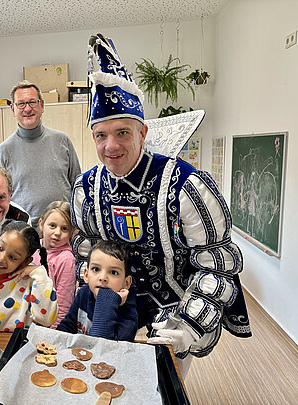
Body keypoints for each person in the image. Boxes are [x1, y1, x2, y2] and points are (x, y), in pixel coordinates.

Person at [71, 34, 251, 375]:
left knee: (166, 388)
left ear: (143, 132)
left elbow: (217, 261)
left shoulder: (186, 184)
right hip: (115, 306)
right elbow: (86, 247)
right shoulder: (88, 187)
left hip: (176, 307)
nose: (111, 146)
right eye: (101, 135)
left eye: (123, 132)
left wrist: (188, 325)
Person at [0, 80, 81, 224]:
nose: (27, 109)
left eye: (32, 102)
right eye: (21, 104)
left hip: (63, 230)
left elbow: (78, 186)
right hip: (23, 232)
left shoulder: (62, 141)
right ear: (13, 110)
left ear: (42, 106)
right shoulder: (4, 150)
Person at [0, 220, 58, 331]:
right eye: (0, 248)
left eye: (12, 257)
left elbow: (46, 319)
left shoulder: (33, 283)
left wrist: (40, 274)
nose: (1, 258)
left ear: (25, 261)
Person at [57, 240, 138, 341]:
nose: (103, 277)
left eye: (113, 272)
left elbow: (103, 346)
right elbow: (65, 329)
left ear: (127, 283)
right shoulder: (84, 293)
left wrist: (109, 300)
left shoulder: (128, 311)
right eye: (96, 269)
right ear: (86, 275)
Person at [32, 201, 76, 329]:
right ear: (41, 224)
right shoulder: (31, 248)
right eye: (52, 225)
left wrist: (54, 332)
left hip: (49, 327)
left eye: (64, 228)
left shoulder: (66, 259)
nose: (57, 233)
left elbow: (63, 304)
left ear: (71, 232)